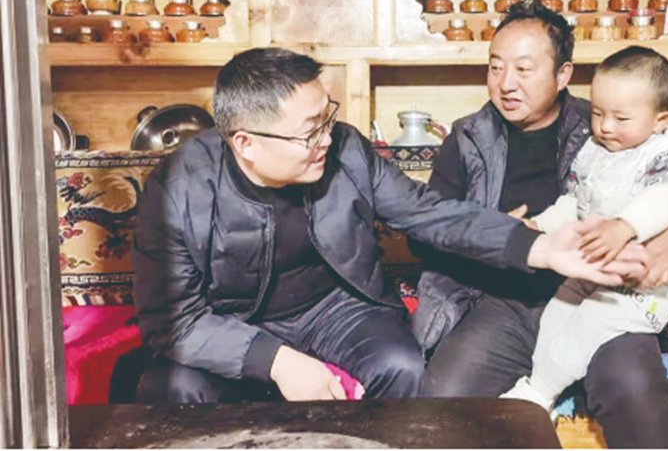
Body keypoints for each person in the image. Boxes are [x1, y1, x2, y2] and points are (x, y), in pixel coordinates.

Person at [132, 46, 641, 405]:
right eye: (309, 132)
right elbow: (172, 321)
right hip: (233, 320)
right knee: (174, 388)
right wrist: (277, 361)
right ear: (245, 143)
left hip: (337, 308)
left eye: (327, 119)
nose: (326, 139)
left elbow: (430, 212)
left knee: (402, 367)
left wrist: (540, 248)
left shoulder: (346, 150)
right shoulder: (177, 189)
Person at [413, 0, 668, 448]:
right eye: (495, 67)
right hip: (507, 300)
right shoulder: (467, 138)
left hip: (605, 294)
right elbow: (424, 232)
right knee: (440, 397)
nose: (506, 83)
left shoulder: (604, 121)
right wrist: (489, 233)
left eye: (523, 69)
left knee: (634, 389)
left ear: (562, 74)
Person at [501, 45, 668, 418]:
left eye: (621, 118)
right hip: (592, 268)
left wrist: (624, 226)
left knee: (588, 325)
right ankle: (542, 382)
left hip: (643, 283)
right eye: (597, 113)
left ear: (660, 119)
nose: (605, 126)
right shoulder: (594, 150)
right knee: (556, 315)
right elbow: (574, 205)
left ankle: (539, 393)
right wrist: (538, 225)